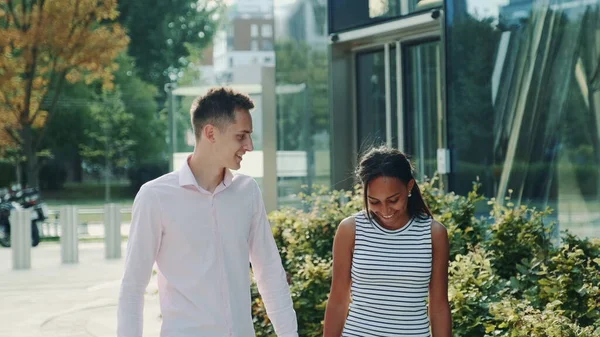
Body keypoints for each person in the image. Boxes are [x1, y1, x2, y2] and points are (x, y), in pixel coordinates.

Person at [117, 87, 298, 337]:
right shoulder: (155, 197)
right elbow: (133, 287)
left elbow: (269, 273)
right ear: (211, 133)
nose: (249, 145)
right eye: (241, 136)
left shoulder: (247, 192)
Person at [323, 146, 452, 337]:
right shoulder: (350, 230)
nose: (385, 210)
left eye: (393, 200)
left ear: (409, 187)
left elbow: (439, 306)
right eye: (374, 201)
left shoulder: (434, 234)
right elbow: (338, 300)